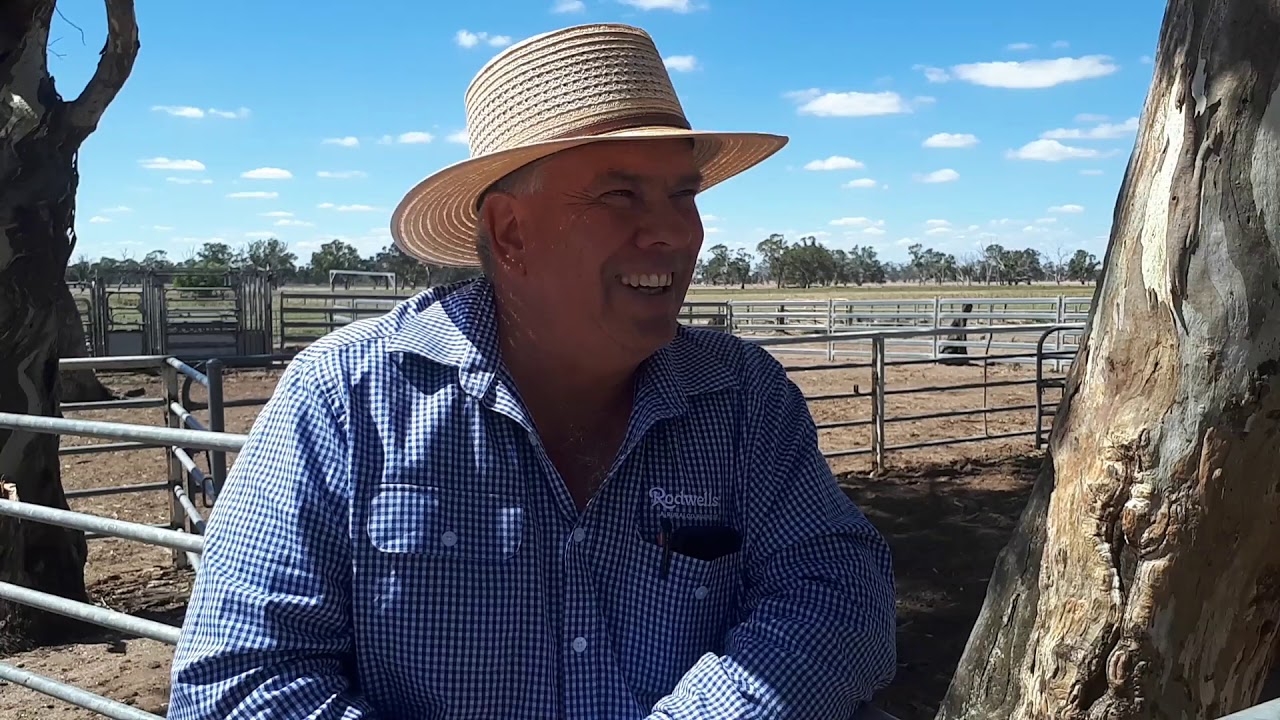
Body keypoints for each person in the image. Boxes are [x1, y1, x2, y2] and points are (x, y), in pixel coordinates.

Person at [168, 22, 897, 720]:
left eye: (684, 193)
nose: (678, 231)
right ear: (510, 233)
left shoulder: (742, 399)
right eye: (620, 195)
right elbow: (240, 685)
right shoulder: (346, 402)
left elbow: (839, 598)